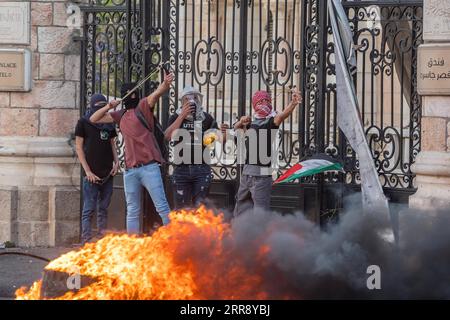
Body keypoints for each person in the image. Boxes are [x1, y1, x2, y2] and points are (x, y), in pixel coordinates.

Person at [89, 71, 175, 234]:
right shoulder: (119, 115)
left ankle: (175, 240)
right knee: (132, 211)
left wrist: (165, 84)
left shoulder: (142, 107)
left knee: (162, 207)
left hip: (149, 168)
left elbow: (155, 95)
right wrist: (109, 106)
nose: (127, 96)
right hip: (130, 171)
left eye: (129, 94)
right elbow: (94, 119)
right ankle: (132, 245)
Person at [233, 89, 302, 216]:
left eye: (267, 100)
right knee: (240, 210)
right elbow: (236, 130)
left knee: (260, 213)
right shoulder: (250, 124)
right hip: (246, 174)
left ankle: (261, 235)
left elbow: (281, 116)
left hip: (263, 175)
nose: (264, 103)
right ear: (255, 104)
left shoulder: (270, 122)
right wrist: (241, 121)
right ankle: (239, 234)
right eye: (261, 101)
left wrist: (293, 103)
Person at [164, 86, 228, 209]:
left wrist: (224, 132)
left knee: (200, 209)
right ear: (182, 102)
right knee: (181, 210)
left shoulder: (206, 118)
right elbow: (167, 136)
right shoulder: (175, 117)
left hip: (202, 170)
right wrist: (182, 115)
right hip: (181, 169)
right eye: (187, 99)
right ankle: (183, 229)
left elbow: (218, 139)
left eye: (195, 98)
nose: (192, 101)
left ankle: (198, 229)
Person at [75, 93, 119, 244]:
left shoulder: (108, 122)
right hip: (91, 175)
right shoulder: (83, 122)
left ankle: (101, 239)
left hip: (107, 173)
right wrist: (87, 171)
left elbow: (112, 144)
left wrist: (117, 162)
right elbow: (79, 148)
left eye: (104, 107)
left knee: (103, 209)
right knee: (89, 209)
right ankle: (86, 239)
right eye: (99, 107)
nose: (102, 110)